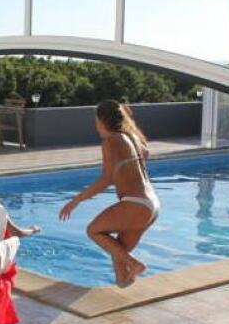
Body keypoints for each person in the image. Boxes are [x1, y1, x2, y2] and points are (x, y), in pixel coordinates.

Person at [59, 100, 159, 287]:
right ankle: (124, 283)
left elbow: (106, 179)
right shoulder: (132, 137)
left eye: (96, 120)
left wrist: (76, 200)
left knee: (93, 230)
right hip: (152, 205)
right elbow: (145, 153)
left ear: (103, 120)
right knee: (117, 254)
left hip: (136, 204)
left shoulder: (111, 140)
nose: (95, 125)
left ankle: (135, 264)